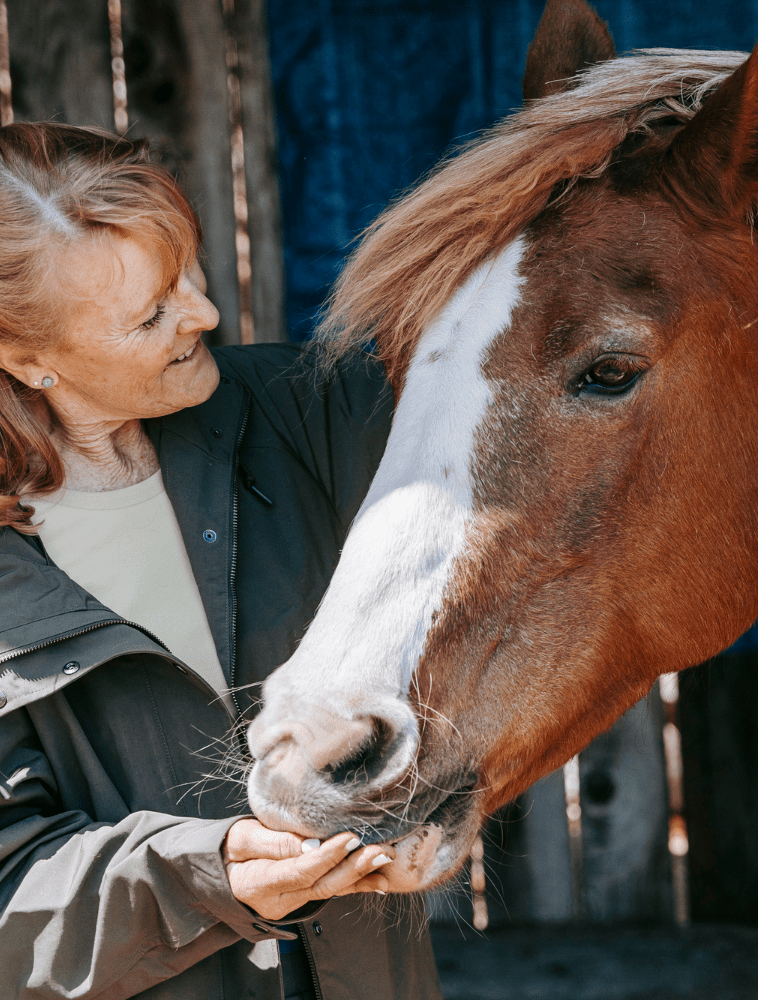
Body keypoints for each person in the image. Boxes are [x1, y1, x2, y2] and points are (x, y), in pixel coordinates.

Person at [0, 123, 442, 1000]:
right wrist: (219, 877)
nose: (202, 313)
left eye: (187, 272)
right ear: (25, 359)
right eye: (150, 314)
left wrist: (427, 795)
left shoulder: (308, 414)